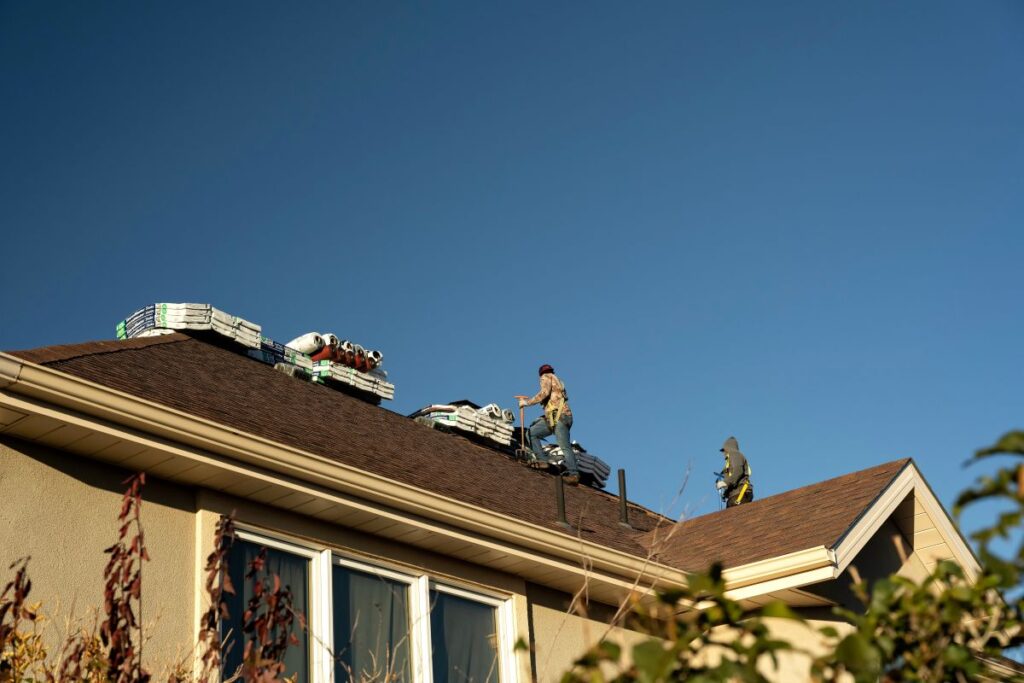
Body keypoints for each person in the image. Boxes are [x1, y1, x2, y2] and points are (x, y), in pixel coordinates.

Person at [520, 364, 579, 485]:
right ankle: (543, 461)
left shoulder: (545, 377)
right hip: (558, 417)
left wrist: (526, 402)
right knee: (532, 433)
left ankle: (574, 474)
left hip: (559, 417)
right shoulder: (558, 381)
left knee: (564, 446)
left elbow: (544, 393)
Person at [719, 436, 754, 507]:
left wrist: (725, 482)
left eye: (724, 450)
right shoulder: (729, 461)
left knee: (738, 517)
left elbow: (738, 471)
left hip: (740, 494)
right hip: (734, 496)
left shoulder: (735, 455)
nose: (723, 453)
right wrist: (725, 493)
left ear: (728, 448)